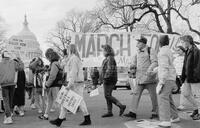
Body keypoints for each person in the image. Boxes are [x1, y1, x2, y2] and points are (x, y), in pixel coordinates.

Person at [49, 44, 91, 127]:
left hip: (75, 83)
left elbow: (73, 73)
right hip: (76, 83)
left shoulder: (73, 59)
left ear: (70, 50)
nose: (67, 51)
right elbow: (69, 70)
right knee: (69, 101)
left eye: (68, 49)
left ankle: (60, 120)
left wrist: (69, 84)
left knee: (70, 101)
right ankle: (61, 119)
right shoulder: (73, 58)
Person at [124, 36, 158, 120]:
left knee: (153, 97)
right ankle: (132, 112)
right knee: (135, 94)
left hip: (150, 78)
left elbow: (155, 62)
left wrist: (150, 69)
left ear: (143, 43)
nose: (136, 45)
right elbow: (134, 63)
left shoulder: (150, 50)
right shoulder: (137, 52)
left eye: (138, 43)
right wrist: (132, 67)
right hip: (140, 79)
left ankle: (155, 113)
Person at [156, 35, 180, 127]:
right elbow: (166, 65)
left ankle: (165, 120)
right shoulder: (168, 51)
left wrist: (161, 81)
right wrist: (156, 69)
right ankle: (174, 117)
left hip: (165, 78)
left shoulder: (162, 52)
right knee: (168, 98)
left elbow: (164, 67)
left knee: (162, 98)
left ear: (160, 42)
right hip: (170, 77)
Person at [100, 44, 126, 118]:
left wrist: (104, 78)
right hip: (108, 79)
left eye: (103, 51)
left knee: (107, 95)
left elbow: (109, 70)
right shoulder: (108, 58)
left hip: (109, 79)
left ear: (107, 51)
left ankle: (121, 106)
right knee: (108, 96)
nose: (102, 52)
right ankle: (109, 112)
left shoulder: (110, 58)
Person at [180, 35, 200, 120]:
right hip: (188, 78)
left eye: (183, 42)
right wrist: (183, 76)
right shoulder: (187, 51)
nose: (182, 43)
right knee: (185, 93)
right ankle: (196, 108)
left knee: (197, 96)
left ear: (187, 41)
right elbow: (185, 65)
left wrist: (196, 77)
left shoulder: (196, 51)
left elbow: (198, 66)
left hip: (194, 78)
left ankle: (199, 112)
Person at [39, 48, 61, 120]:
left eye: (47, 56)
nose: (47, 58)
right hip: (54, 84)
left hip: (54, 85)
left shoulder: (54, 64)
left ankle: (61, 116)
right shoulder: (56, 63)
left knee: (55, 101)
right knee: (50, 101)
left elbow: (52, 76)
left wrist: (47, 84)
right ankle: (46, 115)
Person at [0, 51, 20, 124]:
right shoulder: (13, 62)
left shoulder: (0, 64)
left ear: (2, 57)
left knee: (6, 101)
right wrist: (18, 59)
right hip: (12, 84)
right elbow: (20, 68)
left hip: (4, 84)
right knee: (10, 100)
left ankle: (8, 117)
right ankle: (10, 114)